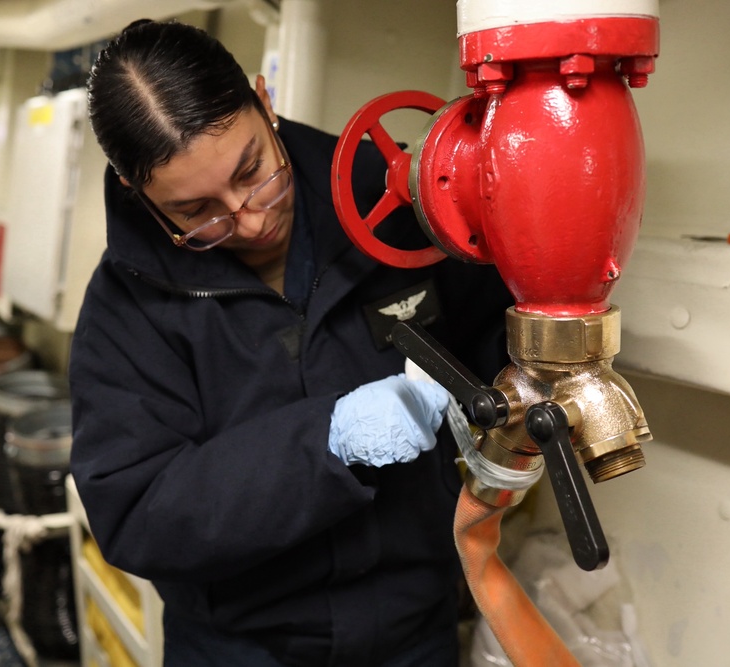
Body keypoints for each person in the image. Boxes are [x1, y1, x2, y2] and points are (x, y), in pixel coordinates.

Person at [69, 18, 514, 667]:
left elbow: (491, 319)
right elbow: (138, 509)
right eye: (199, 212)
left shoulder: (388, 192)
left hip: (414, 627)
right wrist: (328, 439)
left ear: (264, 100)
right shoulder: (124, 311)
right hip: (240, 647)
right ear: (142, 196)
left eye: (253, 170)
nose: (249, 218)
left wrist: (511, 398)